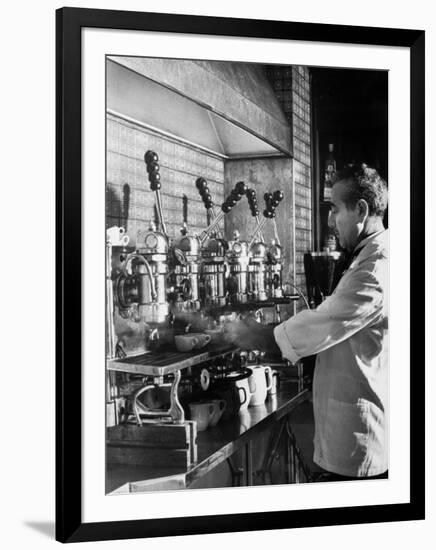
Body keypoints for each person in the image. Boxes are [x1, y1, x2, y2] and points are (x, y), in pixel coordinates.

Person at [226, 163, 388, 480]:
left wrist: (239, 333)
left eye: (335, 209)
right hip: (354, 428)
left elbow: (322, 324)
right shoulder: (372, 254)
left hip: (358, 442)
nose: (329, 221)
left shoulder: (376, 267)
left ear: (361, 209)